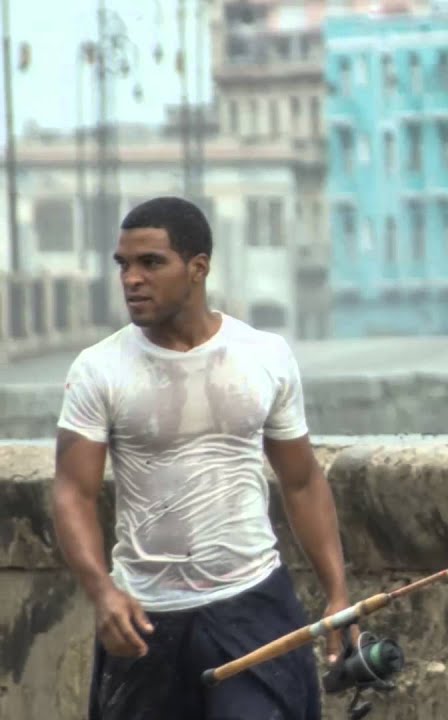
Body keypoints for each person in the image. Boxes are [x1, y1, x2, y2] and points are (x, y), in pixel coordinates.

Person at [51, 196, 354, 720]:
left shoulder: (263, 355)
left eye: (151, 263)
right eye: (124, 265)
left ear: (198, 268)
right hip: (146, 618)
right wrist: (102, 592)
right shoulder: (99, 369)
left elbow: (302, 481)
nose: (132, 279)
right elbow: (72, 493)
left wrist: (338, 593)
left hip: (252, 603)